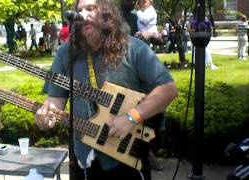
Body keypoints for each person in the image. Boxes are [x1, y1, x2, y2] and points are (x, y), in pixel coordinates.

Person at [35, 0, 178, 180]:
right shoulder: (66, 53)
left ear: (107, 14)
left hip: (127, 159)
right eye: (79, 11)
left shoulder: (133, 48)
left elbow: (168, 90)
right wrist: (45, 117)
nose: (83, 16)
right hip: (83, 159)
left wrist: (132, 117)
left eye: (90, 9)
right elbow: (55, 101)